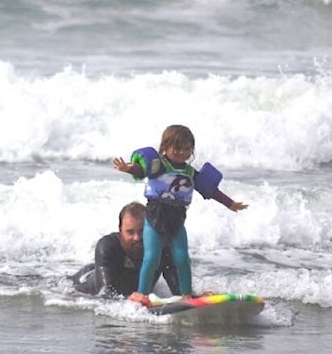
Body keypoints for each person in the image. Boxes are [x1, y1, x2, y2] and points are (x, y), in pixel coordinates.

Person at [113, 124, 247, 303]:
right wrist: (128, 168)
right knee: (152, 257)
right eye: (177, 148)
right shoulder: (158, 166)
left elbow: (211, 191)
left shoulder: (190, 172)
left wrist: (230, 203)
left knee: (182, 258)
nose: (182, 152)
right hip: (154, 217)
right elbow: (140, 170)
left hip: (176, 220)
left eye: (187, 148)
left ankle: (186, 295)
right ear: (165, 147)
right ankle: (142, 295)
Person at [72, 202, 181, 298]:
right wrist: (130, 300)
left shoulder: (162, 249)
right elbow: (106, 295)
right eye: (130, 232)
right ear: (120, 230)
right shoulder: (107, 247)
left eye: (142, 231)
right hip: (84, 283)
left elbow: (179, 290)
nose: (137, 238)